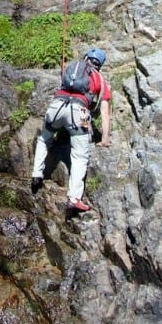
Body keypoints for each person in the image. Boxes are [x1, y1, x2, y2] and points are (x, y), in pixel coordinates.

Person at [31, 47, 111, 212]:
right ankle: (74, 198)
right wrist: (104, 139)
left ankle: (36, 175)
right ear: (100, 64)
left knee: (44, 139)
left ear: (86, 57)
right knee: (80, 155)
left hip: (57, 107)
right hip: (78, 112)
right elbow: (104, 110)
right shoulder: (100, 79)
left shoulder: (72, 67)